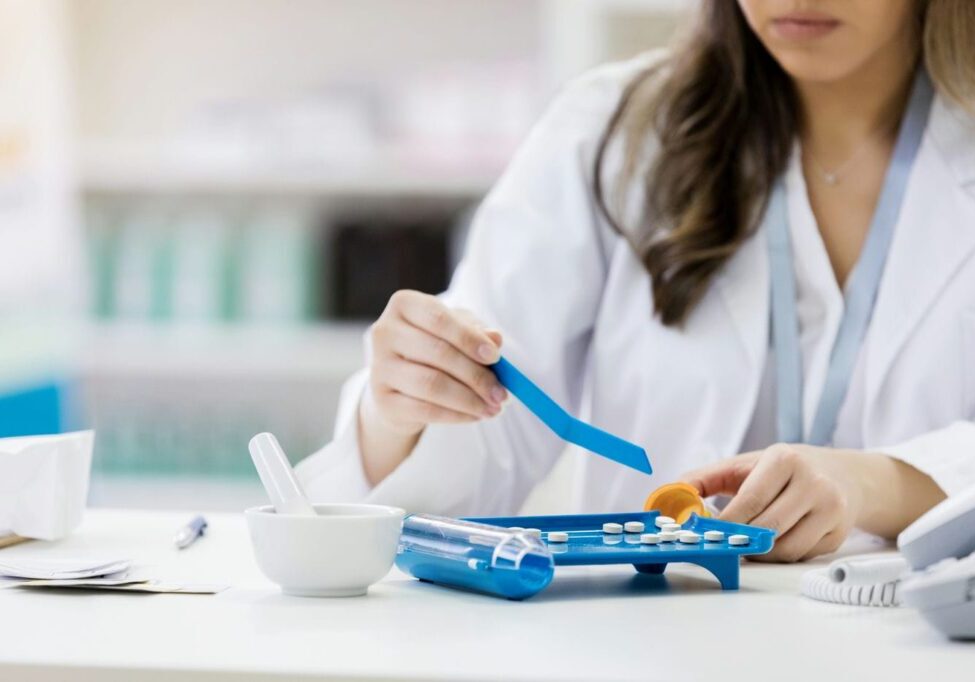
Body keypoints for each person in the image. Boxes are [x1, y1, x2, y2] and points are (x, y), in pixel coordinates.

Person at [297, 0, 975, 561]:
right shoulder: (613, 131)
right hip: (647, 642)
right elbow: (481, 448)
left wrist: (876, 483)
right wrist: (406, 409)